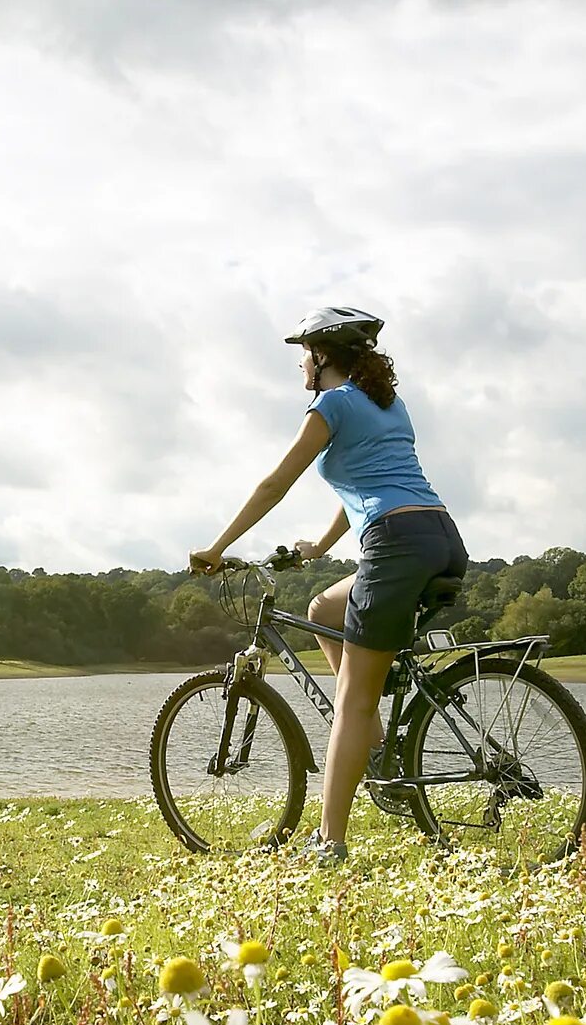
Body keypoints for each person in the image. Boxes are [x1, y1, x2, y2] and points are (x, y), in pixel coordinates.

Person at [190, 305, 467, 863]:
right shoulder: (388, 403)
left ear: (321, 358)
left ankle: (329, 841)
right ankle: (378, 743)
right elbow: (370, 484)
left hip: (394, 545)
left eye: (303, 358)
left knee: (351, 700)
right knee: (321, 607)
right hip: (439, 534)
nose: (300, 369)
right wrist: (319, 546)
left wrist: (217, 548)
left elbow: (276, 483)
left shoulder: (331, 404)